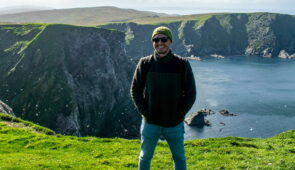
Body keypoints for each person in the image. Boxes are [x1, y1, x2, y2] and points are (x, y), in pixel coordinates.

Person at [130, 26, 196, 170]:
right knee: (145, 156)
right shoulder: (145, 63)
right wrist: (145, 112)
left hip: (174, 124)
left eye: (163, 39)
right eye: (156, 39)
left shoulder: (182, 64)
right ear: (153, 42)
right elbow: (135, 89)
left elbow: (191, 93)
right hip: (150, 123)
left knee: (179, 157)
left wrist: (179, 114)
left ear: (170, 41)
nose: (160, 42)